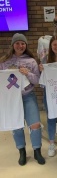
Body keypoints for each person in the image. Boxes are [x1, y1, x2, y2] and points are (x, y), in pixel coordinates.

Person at [0, 33, 45, 166]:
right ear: (13, 45)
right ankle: (22, 151)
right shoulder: (4, 62)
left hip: (28, 96)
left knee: (35, 124)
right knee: (16, 125)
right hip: (12, 99)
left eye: (23, 43)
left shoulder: (31, 61)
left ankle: (37, 151)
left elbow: (37, 80)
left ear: (26, 45)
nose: (20, 46)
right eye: (17, 43)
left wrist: (28, 73)